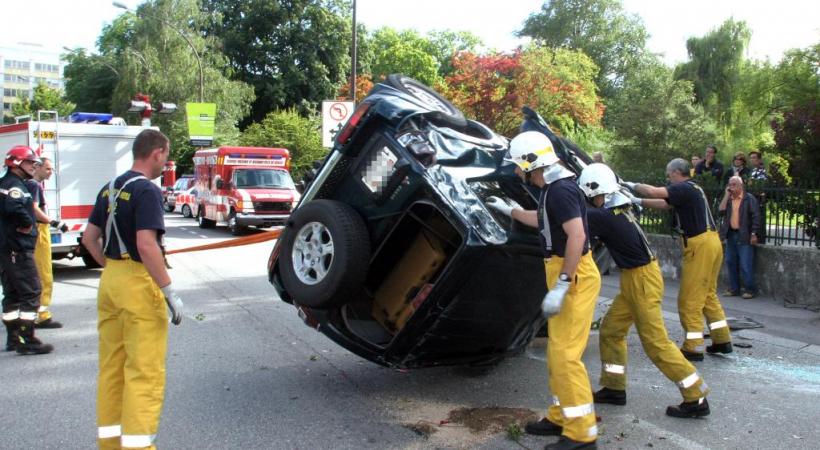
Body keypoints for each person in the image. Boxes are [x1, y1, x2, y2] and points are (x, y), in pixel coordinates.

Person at [486, 131, 600, 450]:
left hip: (574, 277)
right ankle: (561, 416)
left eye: (517, 165)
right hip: (567, 273)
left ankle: (582, 435)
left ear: (530, 162)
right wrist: (510, 210)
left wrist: (563, 283)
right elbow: (543, 220)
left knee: (566, 357)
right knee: (557, 353)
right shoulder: (553, 188)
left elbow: (576, 236)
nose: (515, 171)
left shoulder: (560, 190)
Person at [578, 164, 711, 418]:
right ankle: (614, 387)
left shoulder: (601, 216)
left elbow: (569, 221)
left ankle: (696, 395)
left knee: (656, 343)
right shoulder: (619, 207)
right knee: (611, 331)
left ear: (594, 191)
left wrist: (513, 211)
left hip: (641, 280)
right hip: (636, 278)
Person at [81, 129, 184, 450]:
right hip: (138, 283)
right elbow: (146, 244)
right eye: (166, 156)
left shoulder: (109, 188)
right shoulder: (147, 190)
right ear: (157, 153)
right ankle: (139, 446)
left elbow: (89, 239)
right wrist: (169, 291)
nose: (166, 162)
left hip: (111, 279)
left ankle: (110, 444)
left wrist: (113, 266)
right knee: (144, 371)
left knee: (112, 367)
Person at [621, 158, 733, 362]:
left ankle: (693, 346)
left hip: (699, 245)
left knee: (690, 299)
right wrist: (637, 201)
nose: (667, 178)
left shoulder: (684, 187)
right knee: (707, 294)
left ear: (675, 172)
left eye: (668, 174)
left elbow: (655, 192)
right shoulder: (692, 189)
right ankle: (722, 339)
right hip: (711, 242)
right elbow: (664, 204)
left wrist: (630, 184)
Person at [1, 145, 54, 355]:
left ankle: (14, 339)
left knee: (13, 294)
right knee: (31, 291)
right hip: (17, 249)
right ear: (16, 163)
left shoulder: (8, 183)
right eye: (30, 162)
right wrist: (27, 224)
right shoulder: (14, 186)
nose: (34, 166)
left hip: (8, 249)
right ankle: (27, 340)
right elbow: (15, 208)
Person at [26, 157, 67, 328]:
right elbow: (34, 209)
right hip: (39, 231)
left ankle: (31, 314)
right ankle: (41, 316)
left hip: (33, 231)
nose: (51, 172)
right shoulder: (34, 185)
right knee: (44, 275)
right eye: (48, 169)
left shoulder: (27, 184)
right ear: (37, 167)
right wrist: (55, 222)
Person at [718, 176, 761, 299]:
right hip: (731, 234)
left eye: (734, 184)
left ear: (741, 186)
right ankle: (734, 288)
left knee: (745, 263)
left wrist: (754, 233)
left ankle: (750, 290)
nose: (731, 187)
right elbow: (720, 211)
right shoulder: (729, 199)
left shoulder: (749, 199)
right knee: (730, 261)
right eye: (730, 184)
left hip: (744, 234)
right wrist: (726, 195)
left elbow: (756, 216)